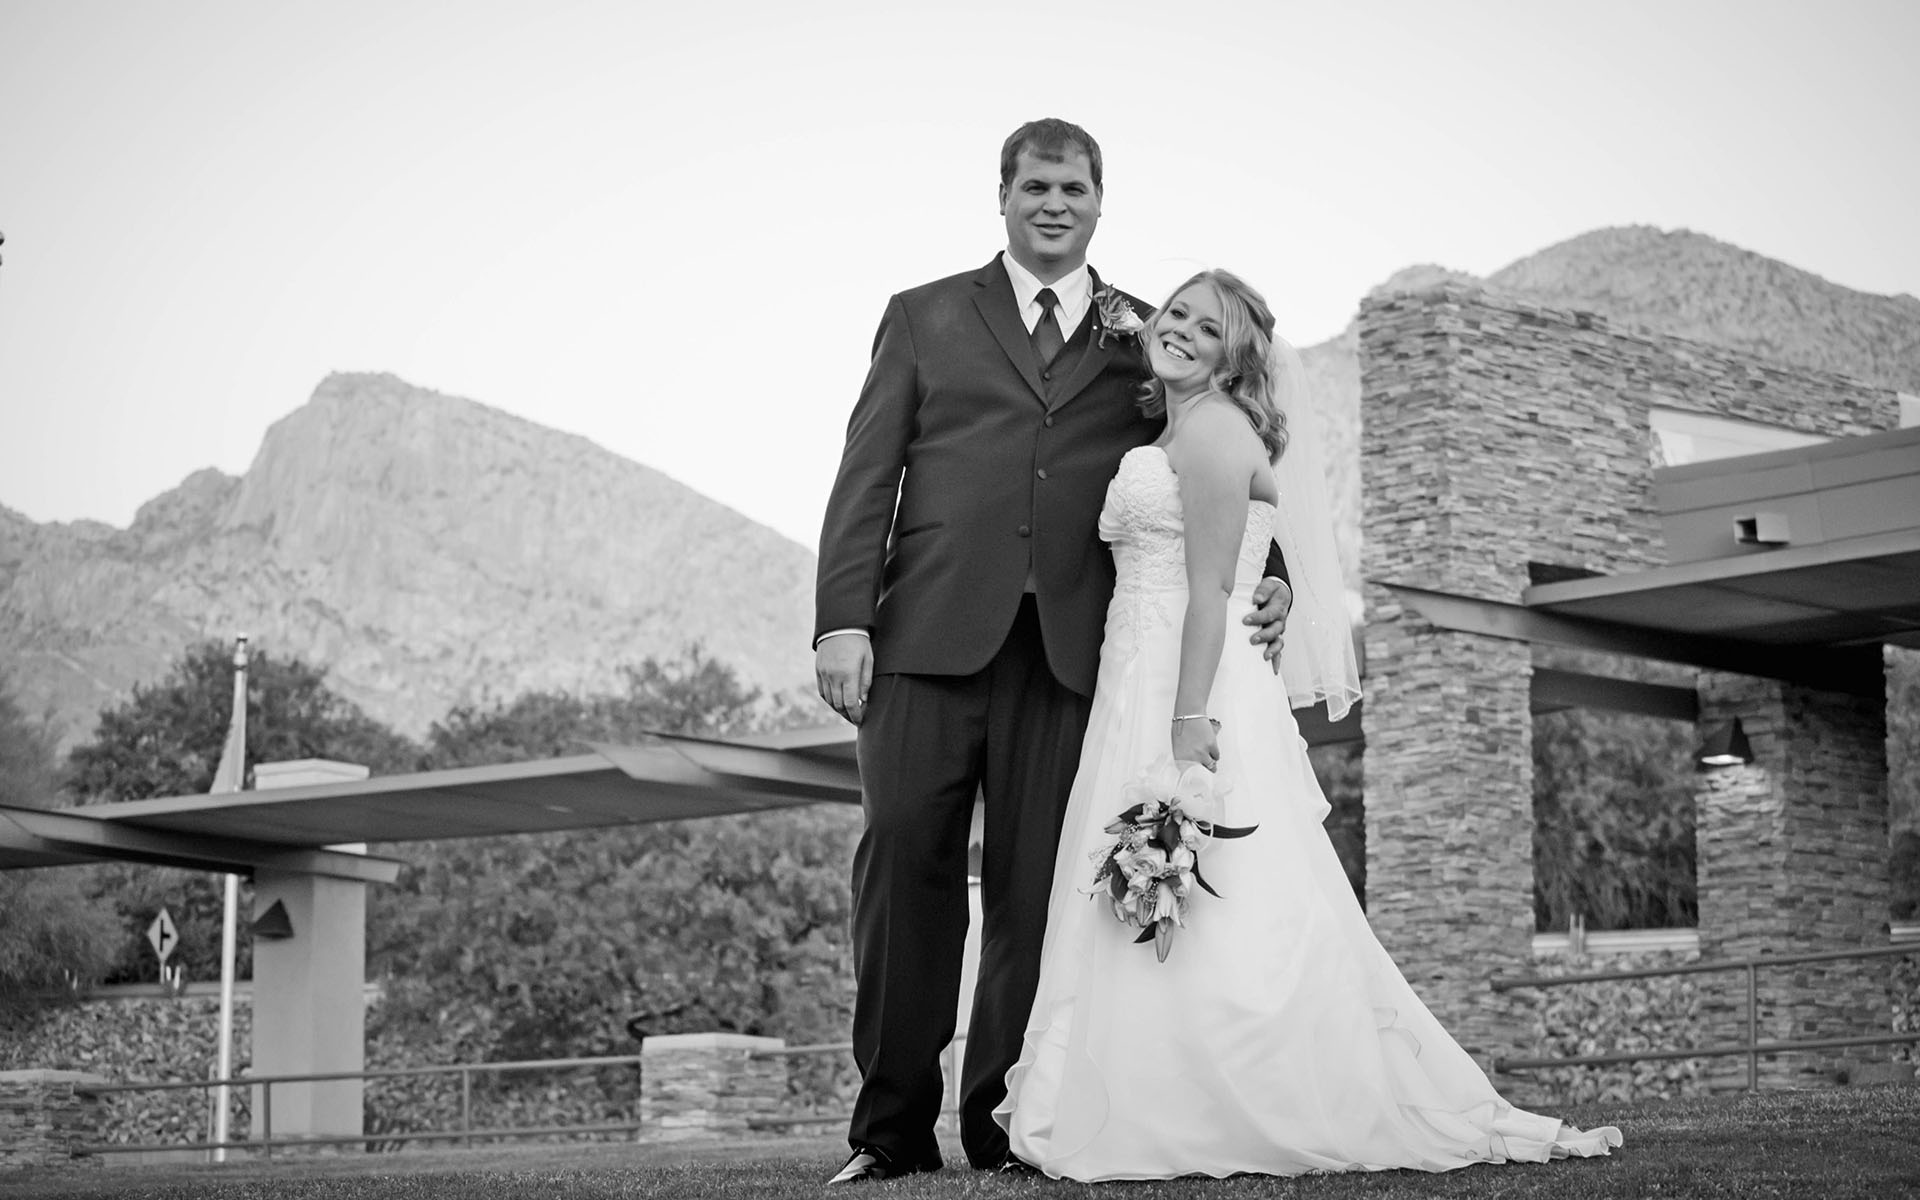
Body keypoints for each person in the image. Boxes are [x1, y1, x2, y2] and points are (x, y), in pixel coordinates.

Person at [993, 269, 1624, 1180]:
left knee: (1233, 894)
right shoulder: (1176, 426)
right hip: (1137, 672)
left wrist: (1187, 719)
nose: (1180, 331)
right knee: (1179, 888)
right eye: (1176, 313)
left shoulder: (1214, 430)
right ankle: (1149, 1098)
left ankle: (1221, 1101)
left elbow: (1213, 588)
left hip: (1187, 680)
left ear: (1234, 358)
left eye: (1207, 329)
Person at [812, 120, 1293, 1184]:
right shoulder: (924, 315)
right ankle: (889, 1133)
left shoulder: (1149, 337)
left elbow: (1224, 462)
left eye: (1073, 188)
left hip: (1072, 657)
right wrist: (842, 618)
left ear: (1099, 202)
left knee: (1036, 894)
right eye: (1035, 186)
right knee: (902, 869)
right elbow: (867, 473)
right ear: (1003, 195)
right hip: (924, 641)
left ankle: (1006, 1124)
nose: (1053, 204)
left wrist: (1276, 578)